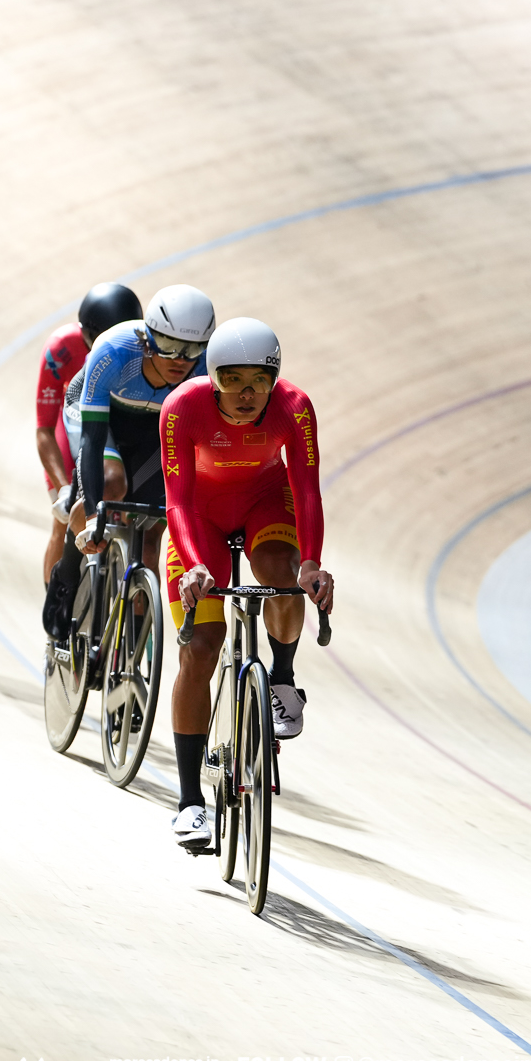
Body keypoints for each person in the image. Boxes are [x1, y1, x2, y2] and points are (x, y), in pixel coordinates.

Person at [161, 319, 334, 853]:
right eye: (231, 380)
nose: (245, 394)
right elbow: (179, 501)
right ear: (212, 379)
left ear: (275, 380)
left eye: (258, 381)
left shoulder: (295, 408)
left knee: (282, 576)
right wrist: (193, 564)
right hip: (201, 519)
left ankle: (281, 679)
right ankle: (191, 802)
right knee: (201, 652)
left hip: (265, 502)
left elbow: (305, 488)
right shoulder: (182, 408)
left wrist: (311, 563)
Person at [43, 285, 214, 640]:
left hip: (154, 427)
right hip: (101, 417)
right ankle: (67, 573)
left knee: (152, 533)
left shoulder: (207, 368)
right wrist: (93, 514)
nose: (180, 360)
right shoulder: (114, 350)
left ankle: (133, 648)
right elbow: (91, 439)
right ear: (148, 338)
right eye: (169, 346)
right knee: (110, 485)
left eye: (192, 349)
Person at [35, 283, 143, 582]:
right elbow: (44, 429)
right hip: (75, 424)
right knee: (65, 518)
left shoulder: (142, 348)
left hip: (116, 427)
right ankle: (57, 598)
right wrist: (63, 487)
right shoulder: (61, 348)